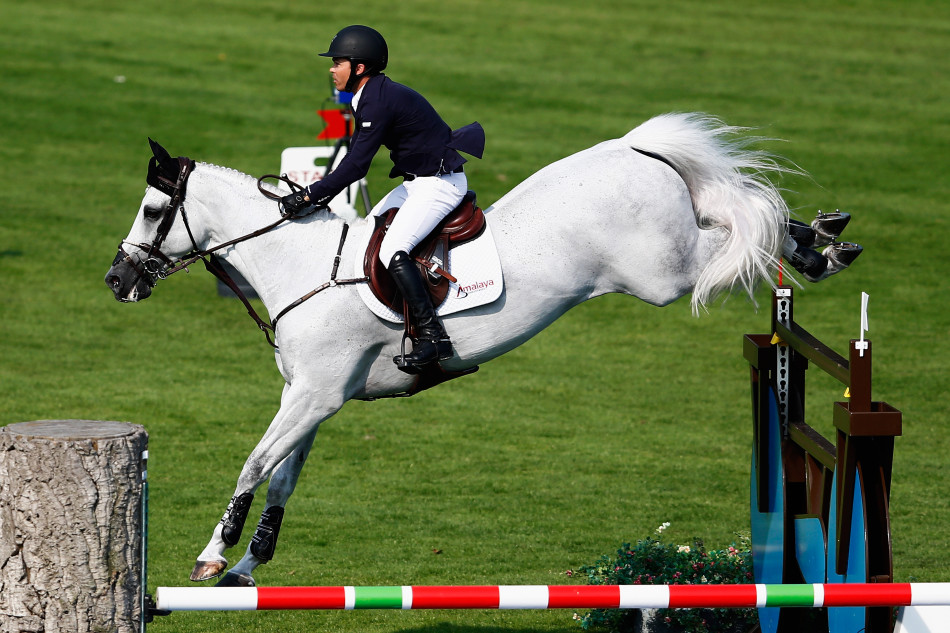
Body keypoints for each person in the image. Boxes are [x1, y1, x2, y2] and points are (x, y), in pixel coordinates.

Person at [281, 25, 485, 373]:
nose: (331, 68)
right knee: (369, 234)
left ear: (359, 68)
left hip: (439, 184)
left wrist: (309, 194)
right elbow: (353, 159)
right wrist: (315, 195)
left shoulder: (375, 100)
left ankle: (433, 338)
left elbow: (356, 165)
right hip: (418, 182)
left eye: (338, 62)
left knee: (392, 250)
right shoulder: (369, 94)